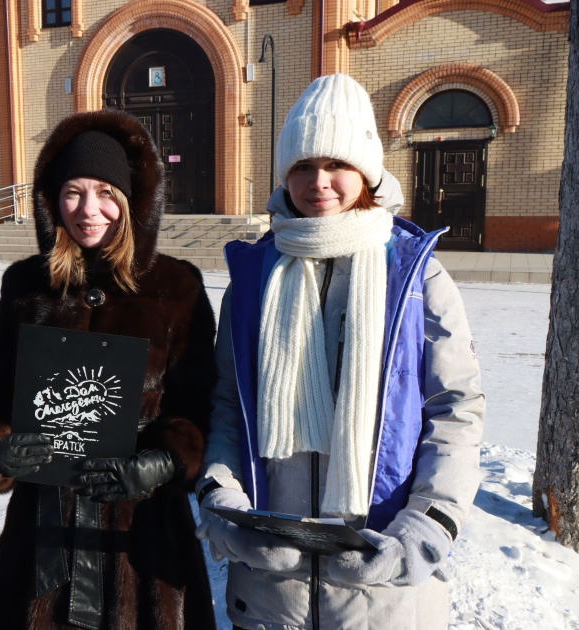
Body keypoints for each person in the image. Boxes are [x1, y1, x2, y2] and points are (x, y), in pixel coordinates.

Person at [195, 73, 485, 629]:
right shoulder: (253, 279)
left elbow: (456, 411)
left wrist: (425, 529)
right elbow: (228, 403)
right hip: (270, 588)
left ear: (367, 172)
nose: (319, 182)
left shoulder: (416, 276)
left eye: (337, 164)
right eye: (303, 165)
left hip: (381, 589)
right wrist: (222, 499)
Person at [0, 110, 218, 629]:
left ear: (131, 200)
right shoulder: (25, 285)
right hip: (43, 527)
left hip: (142, 532)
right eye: (73, 193)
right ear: (52, 201)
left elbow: (199, 404)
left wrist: (165, 463)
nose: (88, 210)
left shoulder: (178, 287)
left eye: (105, 192)